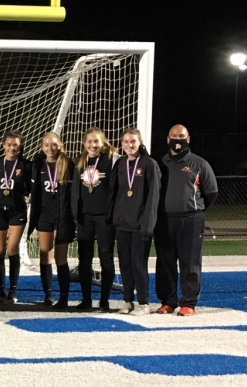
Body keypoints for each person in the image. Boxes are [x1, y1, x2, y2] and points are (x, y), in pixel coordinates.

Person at [154, 124, 218, 316]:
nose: (177, 139)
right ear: (167, 139)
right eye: (174, 135)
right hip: (164, 220)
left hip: (190, 220)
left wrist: (194, 208)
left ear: (188, 139)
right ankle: (168, 301)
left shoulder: (199, 164)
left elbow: (211, 193)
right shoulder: (160, 163)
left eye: (181, 136)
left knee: (190, 262)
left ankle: (188, 302)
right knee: (165, 262)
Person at [109, 128, 160, 314]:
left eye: (133, 142)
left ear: (140, 142)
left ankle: (144, 303)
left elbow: (153, 196)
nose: (129, 145)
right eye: (126, 142)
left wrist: (148, 223)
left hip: (140, 224)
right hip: (122, 222)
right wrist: (113, 217)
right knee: (125, 263)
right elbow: (114, 193)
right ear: (121, 144)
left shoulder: (149, 164)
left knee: (139, 263)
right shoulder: (120, 164)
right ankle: (128, 300)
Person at [71, 129, 117, 311]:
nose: (93, 145)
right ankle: (86, 299)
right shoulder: (80, 162)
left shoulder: (112, 160)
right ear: (84, 143)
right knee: (84, 260)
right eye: (89, 141)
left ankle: (104, 300)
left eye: (96, 141)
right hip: (85, 217)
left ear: (103, 142)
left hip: (105, 217)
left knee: (106, 258)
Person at [28, 131, 75, 309]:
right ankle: (48, 295)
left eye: (54, 144)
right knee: (45, 254)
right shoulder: (38, 165)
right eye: (46, 144)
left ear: (60, 145)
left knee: (60, 257)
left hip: (62, 217)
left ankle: (64, 297)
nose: (50, 148)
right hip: (44, 216)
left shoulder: (68, 164)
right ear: (42, 147)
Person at [0, 131, 30, 303]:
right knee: (0, 251)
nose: (12, 148)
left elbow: (35, 183)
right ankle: (1, 290)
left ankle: (13, 290)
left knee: (12, 249)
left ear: (20, 146)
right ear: (3, 145)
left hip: (17, 211)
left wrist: (28, 195)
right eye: (9, 144)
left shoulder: (26, 165)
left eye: (15, 145)